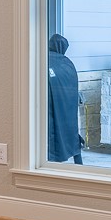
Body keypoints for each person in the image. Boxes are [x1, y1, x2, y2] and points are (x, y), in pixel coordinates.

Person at [47, 33, 83, 163]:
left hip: (52, 103)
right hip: (69, 106)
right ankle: (77, 159)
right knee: (70, 129)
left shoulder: (45, 60)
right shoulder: (67, 63)